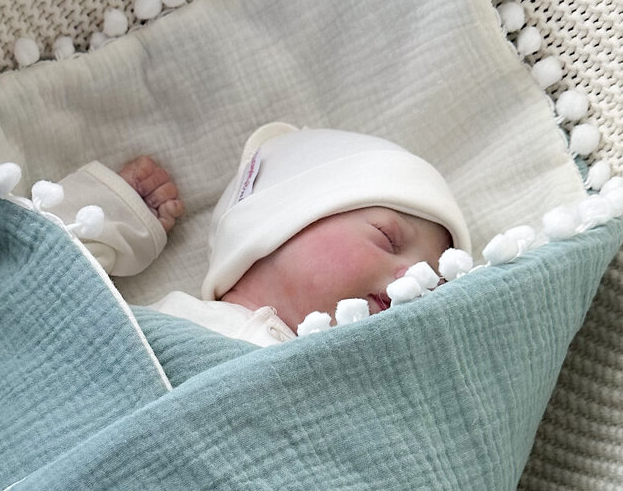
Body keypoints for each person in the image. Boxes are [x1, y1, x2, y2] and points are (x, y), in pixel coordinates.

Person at [38, 122, 473, 343]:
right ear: (278, 220)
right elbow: (36, 283)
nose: (414, 281)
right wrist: (114, 214)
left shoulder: (345, 394)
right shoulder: (167, 323)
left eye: (433, 287)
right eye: (387, 238)